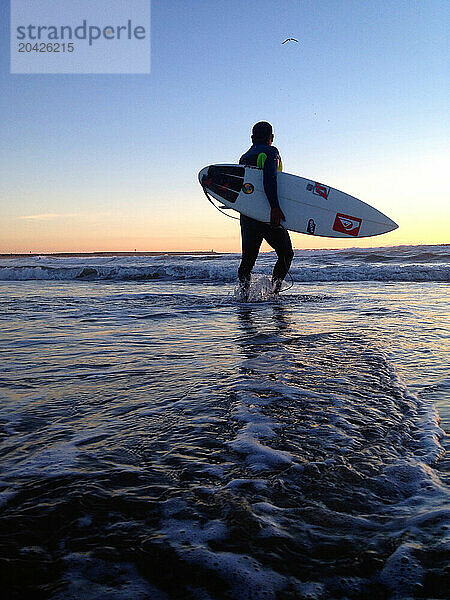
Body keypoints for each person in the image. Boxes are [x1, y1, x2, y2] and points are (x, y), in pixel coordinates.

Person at [238, 121, 294, 298]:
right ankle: (274, 293)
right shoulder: (271, 151)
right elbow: (269, 179)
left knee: (247, 261)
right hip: (268, 213)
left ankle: (243, 297)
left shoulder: (243, 157)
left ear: (252, 138)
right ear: (272, 138)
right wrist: (275, 208)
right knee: (286, 253)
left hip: (247, 215)